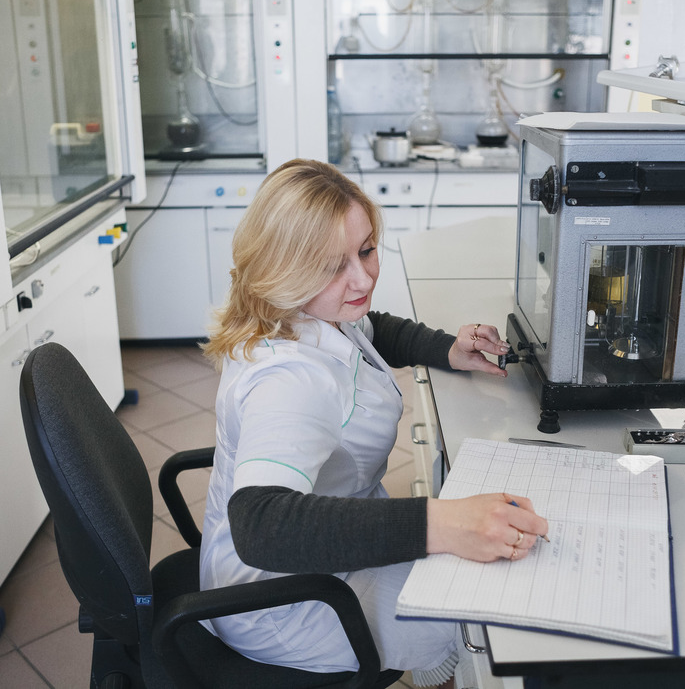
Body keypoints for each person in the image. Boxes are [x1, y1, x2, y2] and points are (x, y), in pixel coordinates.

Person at [200, 159, 548, 687]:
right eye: (331, 265)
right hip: (284, 597)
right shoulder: (288, 381)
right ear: (285, 267)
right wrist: (443, 523)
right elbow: (261, 525)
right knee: (479, 607)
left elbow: (369, 327)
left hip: (326, 540)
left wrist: (443, 348)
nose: (363, 277)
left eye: (365, 249)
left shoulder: (302, 309)